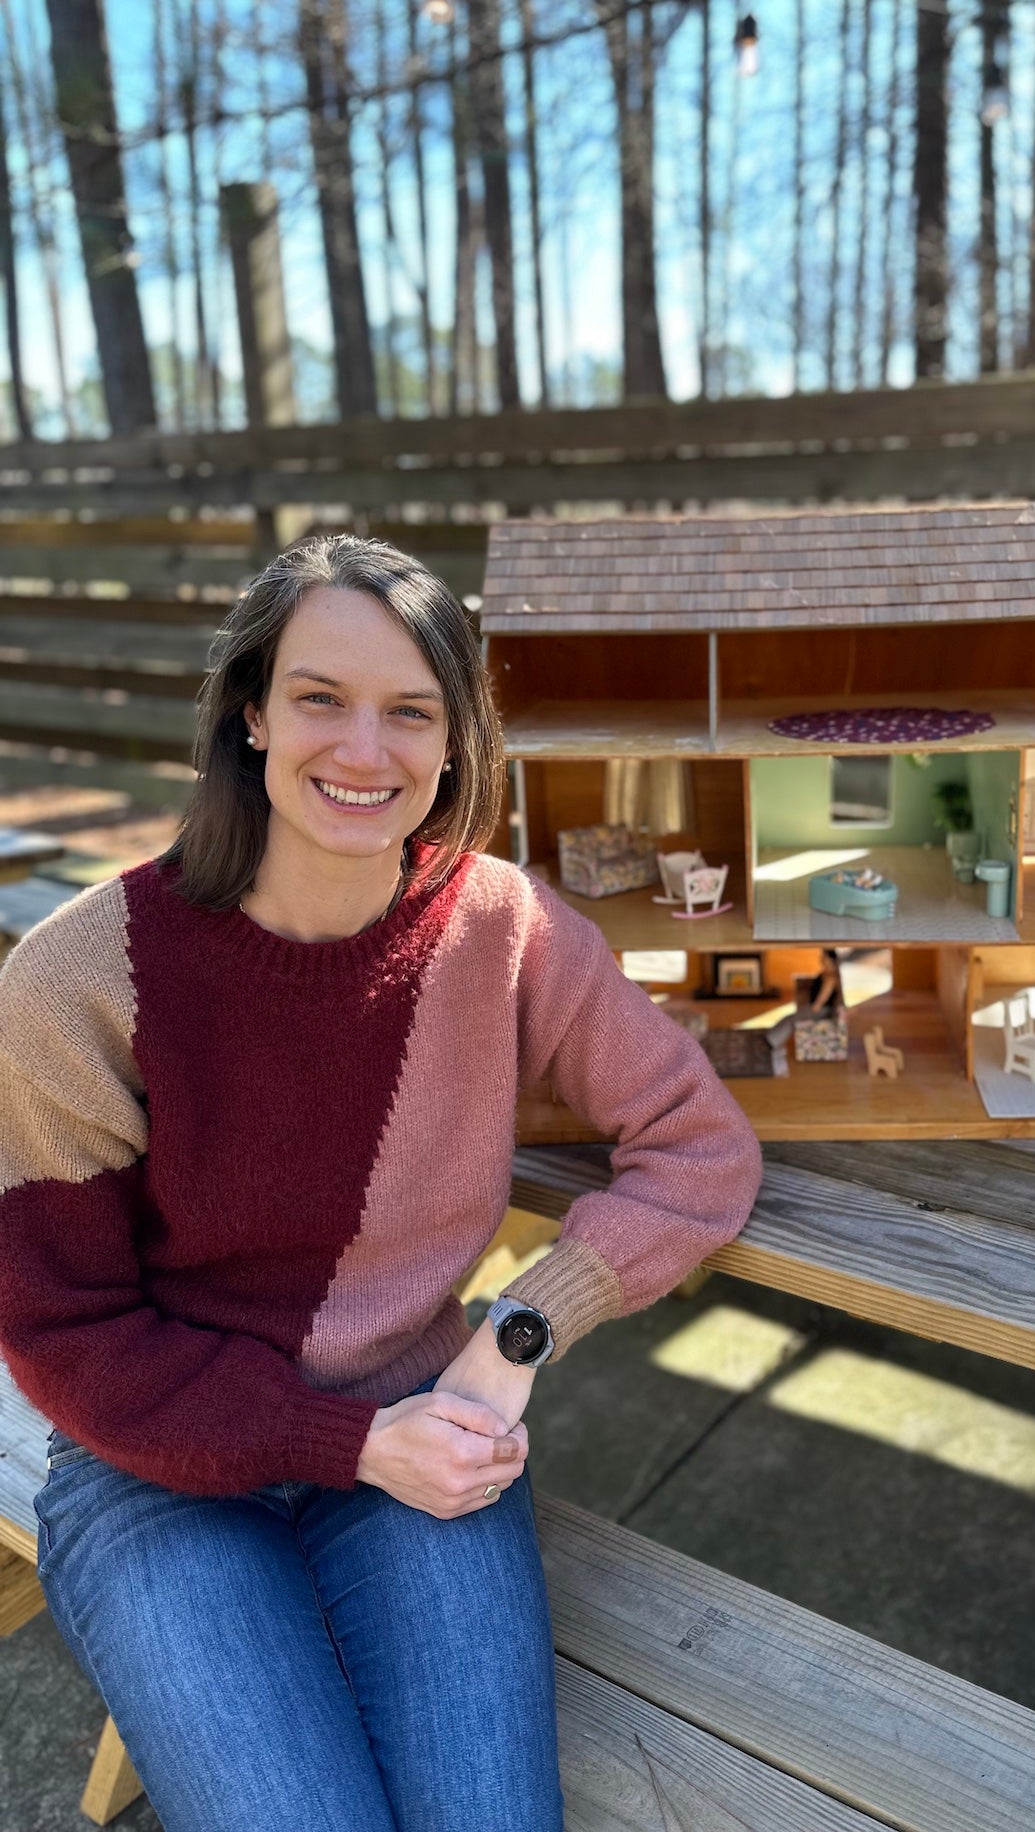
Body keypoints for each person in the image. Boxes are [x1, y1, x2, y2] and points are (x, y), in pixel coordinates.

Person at [0, 534, 765, 1831]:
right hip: (154, 1470)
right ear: (249, 714)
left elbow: (700, 1150)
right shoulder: (81, 976)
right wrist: (338, 1440)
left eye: (412, 711)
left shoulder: (501, 926)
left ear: (458, 742)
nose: (367, 751)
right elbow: (64, 1328)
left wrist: (517, 1335)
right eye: (320, 699)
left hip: (427, 1430)